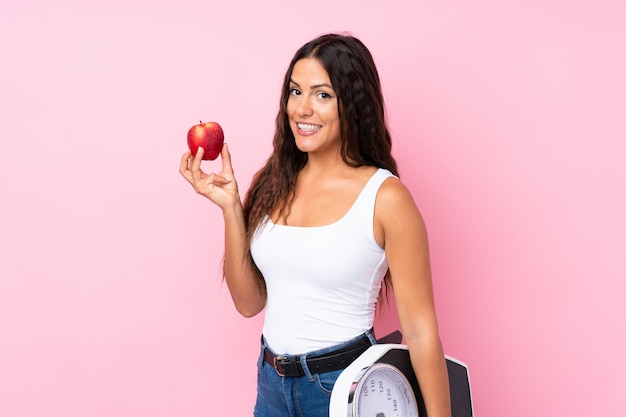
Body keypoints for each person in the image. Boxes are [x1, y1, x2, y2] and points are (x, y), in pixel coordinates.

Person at [179, 33, 451, 417]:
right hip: (271, 385)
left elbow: (422, 333)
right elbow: (249, 302)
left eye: (322, 95)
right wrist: (229, 208)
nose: (302, 109)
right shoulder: (273, 181)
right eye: (295, 92)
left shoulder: (386, 198)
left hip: (344, 387)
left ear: (353, 105)